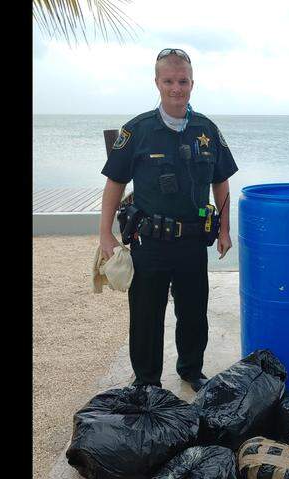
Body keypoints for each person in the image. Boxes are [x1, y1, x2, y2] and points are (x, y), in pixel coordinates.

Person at [98, 48, 238, 391]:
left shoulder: (207, 129)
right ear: (157, 82)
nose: (177, 88)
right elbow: (115, 183)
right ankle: (147, 381)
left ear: (192, 82)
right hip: (150, 242)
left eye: (183, 81)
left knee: (193, 314)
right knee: (146, 317)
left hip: (192, 242)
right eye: (169, 81)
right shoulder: (137, 131)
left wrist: (225, 228)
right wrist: (105, 234)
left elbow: (221, 180)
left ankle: (191, 370)